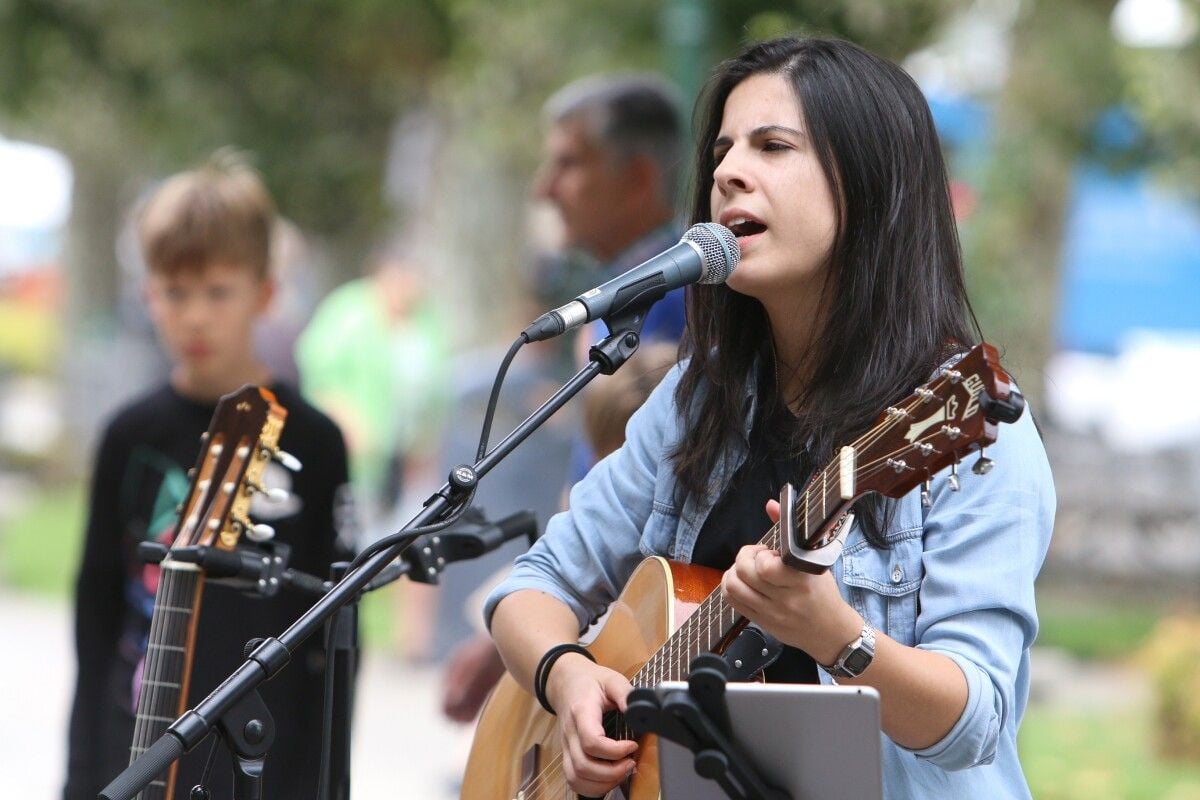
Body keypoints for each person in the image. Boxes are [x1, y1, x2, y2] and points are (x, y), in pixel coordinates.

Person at [484, 36, 1056, 799]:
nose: (725, 172)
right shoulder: (698, 400)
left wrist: (834, 636)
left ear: (869, 183)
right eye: (721, 150)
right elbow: (534, 584)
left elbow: (975, 721)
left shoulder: (966, 430)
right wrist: (568, 678)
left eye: (773, 145)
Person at [64, 152, 352, 800]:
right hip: (134, 734)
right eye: (175, 292)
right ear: (148, 296)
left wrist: (324, 779)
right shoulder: (128, 434)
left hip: (262, 751)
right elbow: (94, 615)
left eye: (218, 292)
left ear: (265, 294)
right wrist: (81, 776)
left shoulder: (315, 440)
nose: (195, 316)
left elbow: (333, 632)